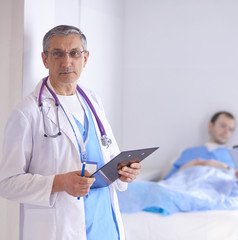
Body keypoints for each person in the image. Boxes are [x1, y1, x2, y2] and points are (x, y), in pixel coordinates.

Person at [0, 25, 141, 240]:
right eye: (57, 54)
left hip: (105, 225)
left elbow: (111, 157)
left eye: (74, 53)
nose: (67, 62)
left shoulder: (93, 101)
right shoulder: (27, 112)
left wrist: (125, 171)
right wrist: (60, 182)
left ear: (85, 58)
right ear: (45, 59)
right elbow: (7, 183)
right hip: (60, 229)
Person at [164, 111, 238, 181]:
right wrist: (186, 167)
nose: (226, 132)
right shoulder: (188, 152)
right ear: (210, 125)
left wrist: (224, 167)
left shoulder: (237, 155)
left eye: (231, 129)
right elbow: (166, 182)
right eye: (223, 126)